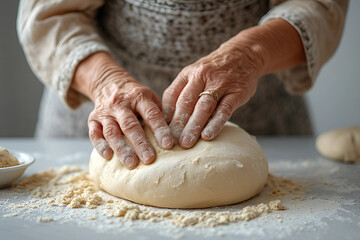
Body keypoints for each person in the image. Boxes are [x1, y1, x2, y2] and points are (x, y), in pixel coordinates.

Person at [17, 0, 348, 170]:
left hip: (259, 117)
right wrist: (105, 82)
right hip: (105, 118)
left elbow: (318, 6)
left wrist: (250, 54)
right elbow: (48, 15)